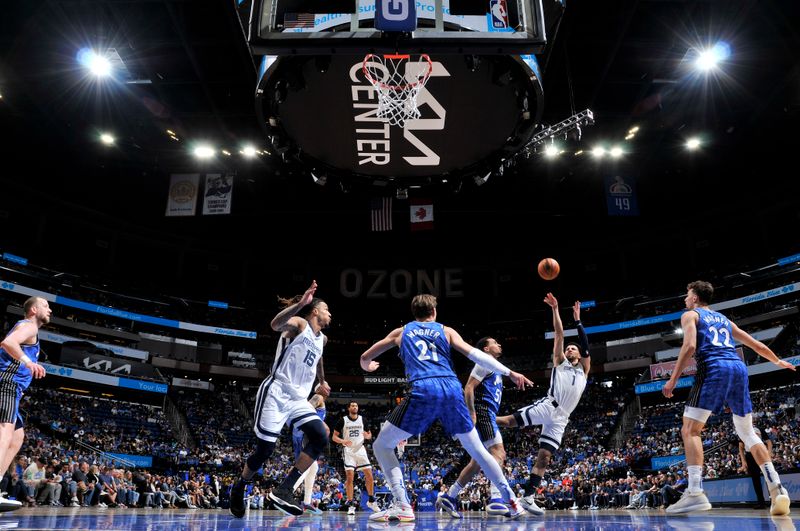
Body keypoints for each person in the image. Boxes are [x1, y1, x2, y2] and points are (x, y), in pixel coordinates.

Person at [359, 294, 533, 522]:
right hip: (452, 388)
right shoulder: (446, 330)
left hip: (423, 388)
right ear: (434, 312)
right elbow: (477, 355)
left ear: (414, 313)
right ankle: (511, 501)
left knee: (382, 445)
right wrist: (509, 372)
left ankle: (401, 504)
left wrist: (368, 366)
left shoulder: (401, 332)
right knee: (479, 450)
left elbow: (365, 357)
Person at [662, 280, 794, 516]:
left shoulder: (690, 315)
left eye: (686, 294)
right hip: (738, 367)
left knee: (690, 430)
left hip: (714, 367)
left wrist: (673, 379)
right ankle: (777, 487)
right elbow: (754, 344)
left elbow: (690, 345)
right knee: (748, 431)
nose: (684, 298)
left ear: (694, 298)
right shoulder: (724, 319)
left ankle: (694, 492)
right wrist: (777, 361)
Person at [229, 280, 332, 518]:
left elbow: (318, 358)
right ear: (315, 310)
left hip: (298, 398)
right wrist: (301, 304)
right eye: (326, 308)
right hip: (277, 391)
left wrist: (322, 381)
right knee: (265, 449)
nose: (330, 313)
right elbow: (275, 324)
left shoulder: (322, 339)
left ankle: (284, 490)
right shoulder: (300, 324)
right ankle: (240, 485)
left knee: (320, 435)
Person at [494, 294, 591, 516]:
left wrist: (578, 321)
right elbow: (558, 334)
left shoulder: (584, 369)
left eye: (573, 349)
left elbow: (586, 346)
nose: (570, 350)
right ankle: (476, 421)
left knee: (544, 458)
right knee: (509, 422)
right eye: (568, 348)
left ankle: (528, 497)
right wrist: (555, 309)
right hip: (549, 405)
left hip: (562, 418)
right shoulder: (560, 362)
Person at [437, 337, 513, 517]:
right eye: (495, 342)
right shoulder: (484, 363)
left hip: (488, 413)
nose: (499, 344)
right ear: (486, 349)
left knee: (477, 462)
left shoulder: (494, 367)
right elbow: (469, 387)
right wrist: (472, 412)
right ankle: (495, 499)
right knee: (498, 453)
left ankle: (450, 496)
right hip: (483, 411)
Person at [0, 296, 49, 511]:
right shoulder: (29, 326)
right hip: (6, 385)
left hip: (14, 391)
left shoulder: (31, 331)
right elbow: (7, 342)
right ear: (33, 310)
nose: (50, 310)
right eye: (46, 306)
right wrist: (29, 363)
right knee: (4, 434)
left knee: (17, 437)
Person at [332, 401, 379, 514]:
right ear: (349, 408)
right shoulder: (343, 420)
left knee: (369, 475)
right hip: (348, 450)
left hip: (360, 450)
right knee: (349, 477)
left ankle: (371, 500)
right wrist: (343, 441)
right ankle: (351, 504)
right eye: (352, 405)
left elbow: (369, 434)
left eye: (356, 405)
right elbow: (334, 437)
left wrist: (368, 436)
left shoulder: (363, 419)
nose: (355, 407)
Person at [290, 385, 328, 515]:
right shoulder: (318, 397)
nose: (329, 387)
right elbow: (307, 410)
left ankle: (306, 502)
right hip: (304, 433)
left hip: (305, 433)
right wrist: (321, 425)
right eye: (326, 385)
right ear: (321, 388)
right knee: (304, 467)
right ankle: (287, 491)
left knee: (313, 468)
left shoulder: (319, 399)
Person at [738, 426, 771, 509]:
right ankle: (761, 503)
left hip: (761, 453)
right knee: (756, 480)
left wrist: (768, 454)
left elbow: (769, 442)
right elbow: (741, 447)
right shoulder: (743, 430)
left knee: (769, 476)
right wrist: (743, 461)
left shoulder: (759, 428)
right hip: (750, 455)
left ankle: (775, 500)